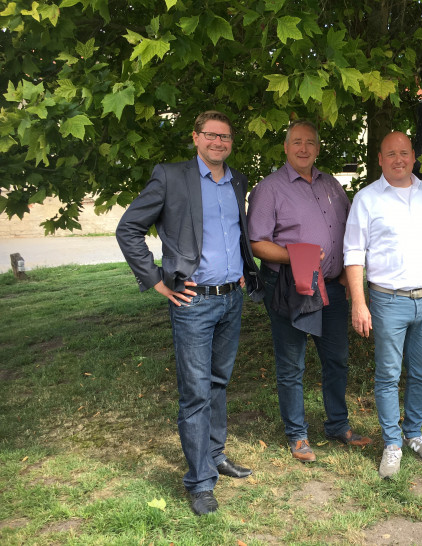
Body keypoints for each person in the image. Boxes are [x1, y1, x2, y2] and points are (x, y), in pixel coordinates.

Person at [116, 111, 261, 516]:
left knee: (218, 382)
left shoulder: (237, 180)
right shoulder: (171, 176)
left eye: (226, 136)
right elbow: (128, 229)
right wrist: (158, 280)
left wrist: (244, 271)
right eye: (211, 135)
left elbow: (235, 234)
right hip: (193, 303)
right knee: (195, 392)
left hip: (232, 298)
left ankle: (215, 456)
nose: (219, 142)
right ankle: (199, 483)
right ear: (195, 137)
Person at [247, 120, 371, 463]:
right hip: (291, 287)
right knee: (291, 364)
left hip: (331, 288)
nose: (304, 148)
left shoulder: (331, 184)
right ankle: (297, 434)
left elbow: (350, 235)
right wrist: (296, 257)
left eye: (310, 143)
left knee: (337, 359)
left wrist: (347, 276)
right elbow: (257, 243)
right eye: (296, 142)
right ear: (286, 148)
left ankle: (337, 424)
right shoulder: (269, 188)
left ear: (317, 148)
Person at [344, 131, 422, 479]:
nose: (398, 160)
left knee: (421, 373)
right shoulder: (367, 199)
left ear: (413, 156)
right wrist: (359, 303)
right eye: (390, 154)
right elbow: (353, 252)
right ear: (380, 159)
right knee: (389, 374)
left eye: (404, 153)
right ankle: (392, 442)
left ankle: (414, 434)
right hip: (386, 300)